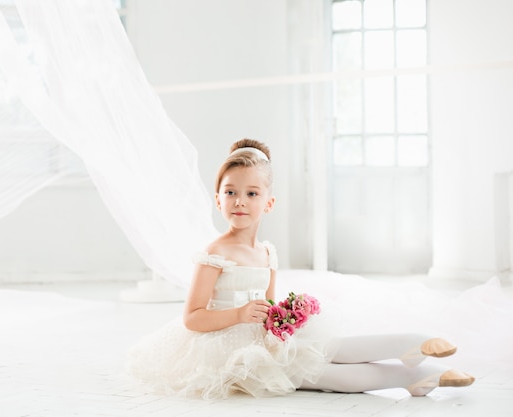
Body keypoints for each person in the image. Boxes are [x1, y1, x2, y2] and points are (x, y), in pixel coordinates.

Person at [127, 138, 475, 399]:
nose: (239, 202)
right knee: (326, 375)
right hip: (230, 347)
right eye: (230, 192)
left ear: (269, 202)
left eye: (251, 193)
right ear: (217, 199)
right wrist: (240, 313)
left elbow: (268, 305)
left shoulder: (267, 253)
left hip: (267, 337)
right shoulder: (213, 254)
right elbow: (193, 317)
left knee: (334, 348)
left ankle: (413, 344)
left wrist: (284, 317)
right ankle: (414, 376)